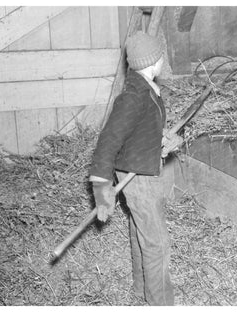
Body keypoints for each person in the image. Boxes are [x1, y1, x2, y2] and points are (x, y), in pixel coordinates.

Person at [88, 31, 181, 306]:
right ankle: (160, 302)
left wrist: (164, 140)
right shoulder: (133, 97)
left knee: (142, 230)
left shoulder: (144, 88)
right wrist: (100, 186)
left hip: (141, 170)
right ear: (155, 60)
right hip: (136, 177)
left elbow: (141, 131)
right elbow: (108, 142)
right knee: (157, 243)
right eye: (161, 55)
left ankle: (142, 291)